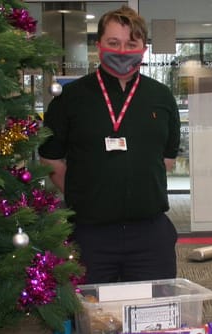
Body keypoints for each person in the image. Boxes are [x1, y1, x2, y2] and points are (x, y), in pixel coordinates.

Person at [38, 5, 180, 284]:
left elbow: (166, 159)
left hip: (149, 234)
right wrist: (86, 193)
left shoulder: (160, 97)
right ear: (99, 44)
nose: (122, 50)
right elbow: (50, 158)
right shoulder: (71, 99)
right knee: (92, 320)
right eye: (113, 43)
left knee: (153, 316)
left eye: (131, 43)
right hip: (90, 234)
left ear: (143, 47)